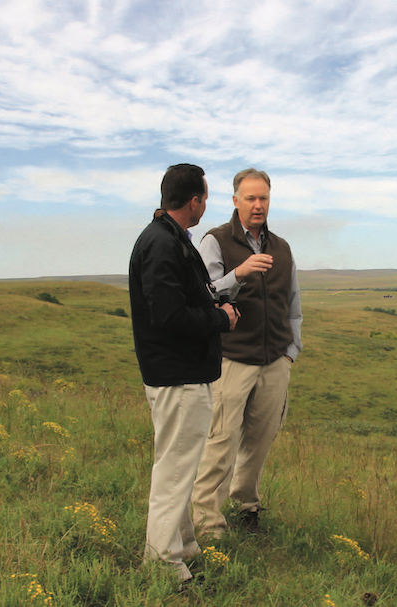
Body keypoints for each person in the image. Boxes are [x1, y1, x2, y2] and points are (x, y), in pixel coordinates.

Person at [129, 163, 239, 582]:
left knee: (178, 466)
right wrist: (220, 320)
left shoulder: (169, 238)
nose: (204, 206)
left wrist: (214, 307)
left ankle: (183, 547)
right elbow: (169, 316)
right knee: (175, 473)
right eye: (204, 198)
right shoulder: (161, 244)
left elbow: (178, 304)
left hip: (181, 373)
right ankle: (162, 564)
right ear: (194, 200)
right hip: (178, 376)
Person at [192, 167, 303, 537]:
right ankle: (207, 525)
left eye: (264, 198)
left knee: (259, 440)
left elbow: (293, 303)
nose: (258, 205)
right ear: (235, 200)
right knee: (220, 441)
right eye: (251, 198)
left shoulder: (282, 248)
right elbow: (202, 294)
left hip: (274, 361)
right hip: (231, 359)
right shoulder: (215, 241)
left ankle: (247, 507)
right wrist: (238, 274)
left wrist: (291, 351)